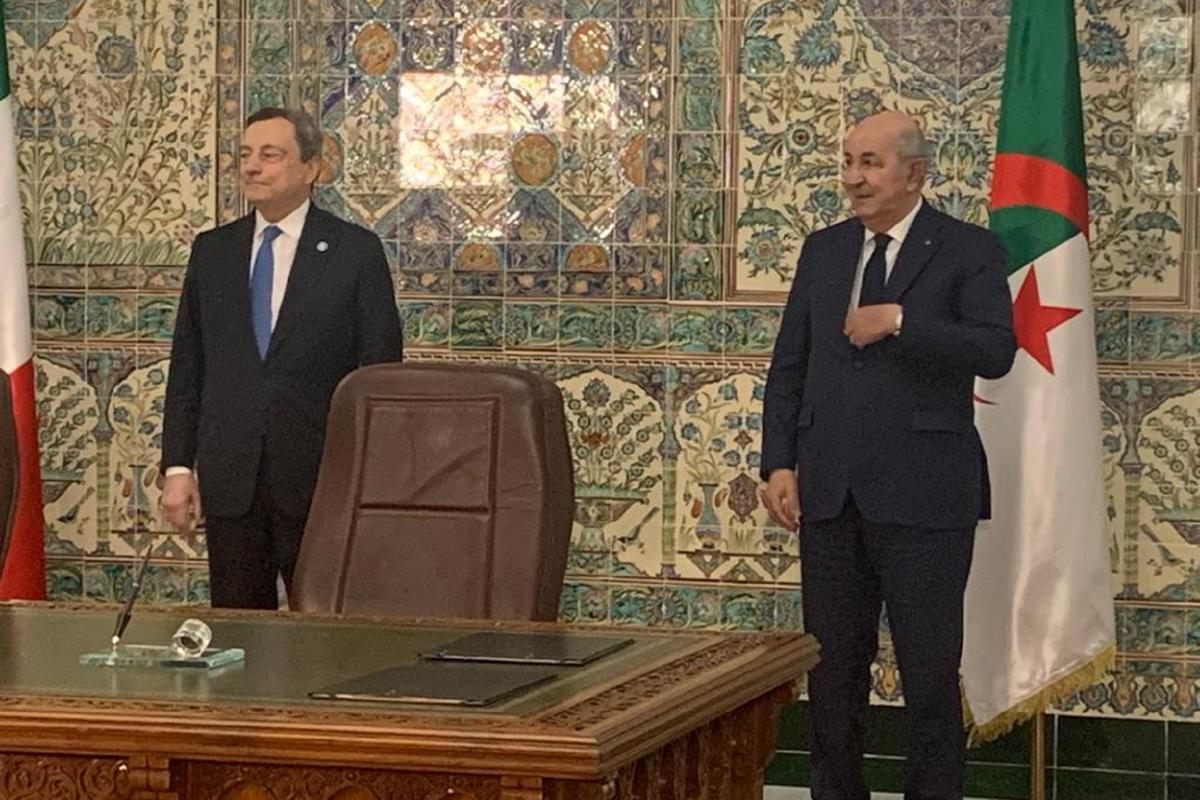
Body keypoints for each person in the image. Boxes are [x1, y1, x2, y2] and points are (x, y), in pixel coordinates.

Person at [760, 111, 1016, 800]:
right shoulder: (824, 250)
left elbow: (995, 349)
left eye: (869, 163)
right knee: (833, 671)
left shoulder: (968, 250)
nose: (853, 178)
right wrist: (778, 463)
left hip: (926, 494)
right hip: (829, 494)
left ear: (914, 173)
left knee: (929, 673)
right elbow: (790, 364)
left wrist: (902, 321)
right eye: (848, 162)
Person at [161, 107, 403, 609]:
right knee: (237, 630)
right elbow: (189, 367)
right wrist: (178, 467)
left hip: (322, 482)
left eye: (270, 155)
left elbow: (380, 376)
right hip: (232, 482)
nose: (252, 166)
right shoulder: (213, 252)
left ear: (311, 167)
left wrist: (372, 480)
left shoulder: (354, 252)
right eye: (245, 155)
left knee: (325, 630)